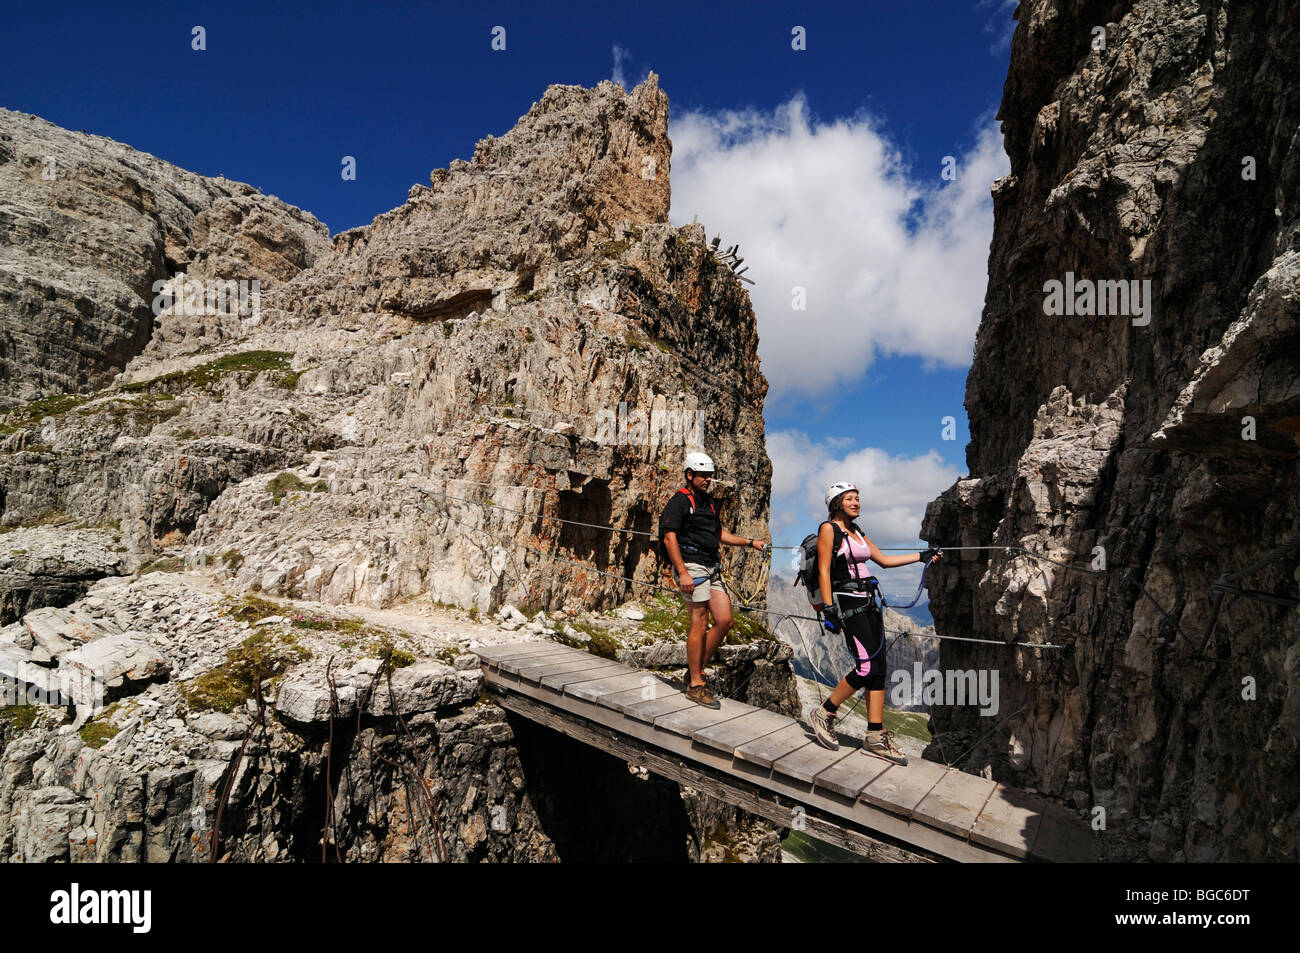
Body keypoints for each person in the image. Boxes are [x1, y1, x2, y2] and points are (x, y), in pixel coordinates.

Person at [806, 482, 942, 764]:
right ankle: (825, 712)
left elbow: (883, 560)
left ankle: (874, 735)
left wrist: (921, 557)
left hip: (868, 601)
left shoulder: (857, 532)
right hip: (848, 603)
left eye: (857, 498)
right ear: (836, 504)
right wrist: (829, 608)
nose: (856, 503)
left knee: (879, 668)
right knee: (866, 666)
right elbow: (823, 569)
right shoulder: (827, 529)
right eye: (849, 499)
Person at [659, 451, 767, 708]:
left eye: (710, 475)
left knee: (725, 620)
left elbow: (719, 534)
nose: (708, 479)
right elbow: (669, 537)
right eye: (703, 475)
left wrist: (750, 543)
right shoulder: (679, 502)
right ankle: (696, 682)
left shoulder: (707, 503)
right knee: (700, 621)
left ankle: (695, 669)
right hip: (692, 566)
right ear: (689, 475)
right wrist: (683, 572)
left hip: (711, 566)